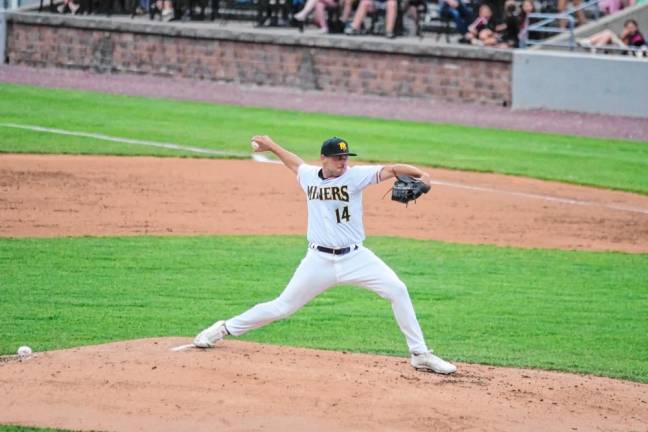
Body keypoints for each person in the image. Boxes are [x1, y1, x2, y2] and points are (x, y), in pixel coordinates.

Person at [194, 135, 457, 375]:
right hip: (318, 261)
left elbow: (391, 169)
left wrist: (423, 174)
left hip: (356, 258)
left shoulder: (355, 176)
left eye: (345, 158)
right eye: (337, 158)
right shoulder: (309, 175)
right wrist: (271, 145)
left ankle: (420, 354)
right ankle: (223, 328)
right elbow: (295, 164)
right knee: (282, 307)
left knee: (397, 289)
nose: (343, 162)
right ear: (324, 158)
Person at [579, 19, 646, 53]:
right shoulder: (626, 35)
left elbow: (632, 48)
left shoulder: (638, 37)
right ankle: (589, 42)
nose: (630, 29)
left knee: (608, 33)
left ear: (636, 28)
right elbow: (619, 40)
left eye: (632, 27)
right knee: (606, 33)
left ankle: (594, 47)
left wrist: (623, 36)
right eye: (628, 27)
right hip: (619, 47)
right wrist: (623, 36)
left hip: (627, 50)